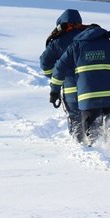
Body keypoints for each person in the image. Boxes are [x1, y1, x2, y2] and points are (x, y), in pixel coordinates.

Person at [51, 24, 110, 146]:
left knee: (93, 133)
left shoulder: (76, 47)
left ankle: (97, 146)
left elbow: (59, 68)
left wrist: (54, 91)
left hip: (88, 98)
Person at [40, 9, 87, 142]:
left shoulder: (58, 41)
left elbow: (45, 63)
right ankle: (99, 143)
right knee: (93, 119)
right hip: (91, 87)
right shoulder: (89, 37)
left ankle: (81, 145)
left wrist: (56, 78)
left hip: (70, 89)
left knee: (75, 119)